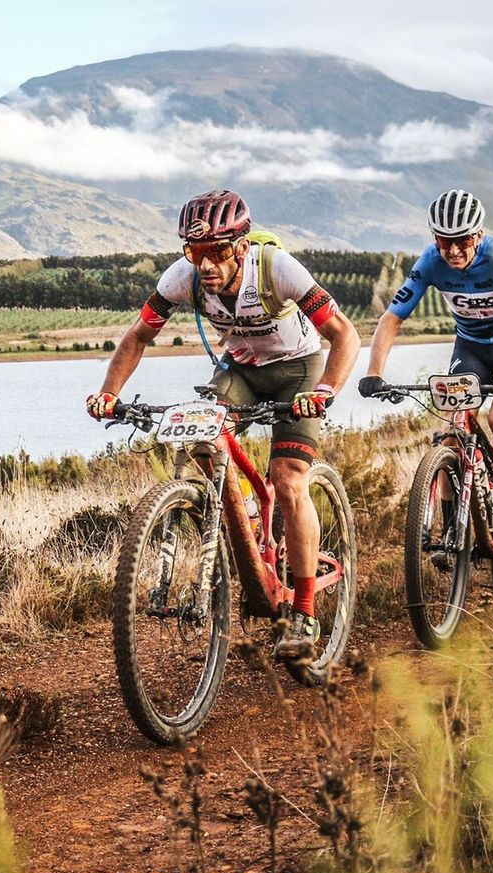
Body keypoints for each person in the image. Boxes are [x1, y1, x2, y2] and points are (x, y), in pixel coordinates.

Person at [86, 189, 360, 656]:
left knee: (289, 478)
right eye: (196, 252)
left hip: (298, 370)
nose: (207, 264)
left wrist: (325, 391)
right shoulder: (182, 278)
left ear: (241, 246)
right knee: (201, 438)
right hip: (241, 372)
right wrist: (109, 393)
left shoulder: (277, 269)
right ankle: (247, 509)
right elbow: (138, 336)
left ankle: (304, 613)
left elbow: (344, 335)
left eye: (217, 251)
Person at [359, 189, 493, 532]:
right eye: (444, 241)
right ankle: (451, 530)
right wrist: (374, 372)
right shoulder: (430, 261)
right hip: (471, 348)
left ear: (478, 235)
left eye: (463, 240)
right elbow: (392, 318)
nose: (453, 250)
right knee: (452, 433)